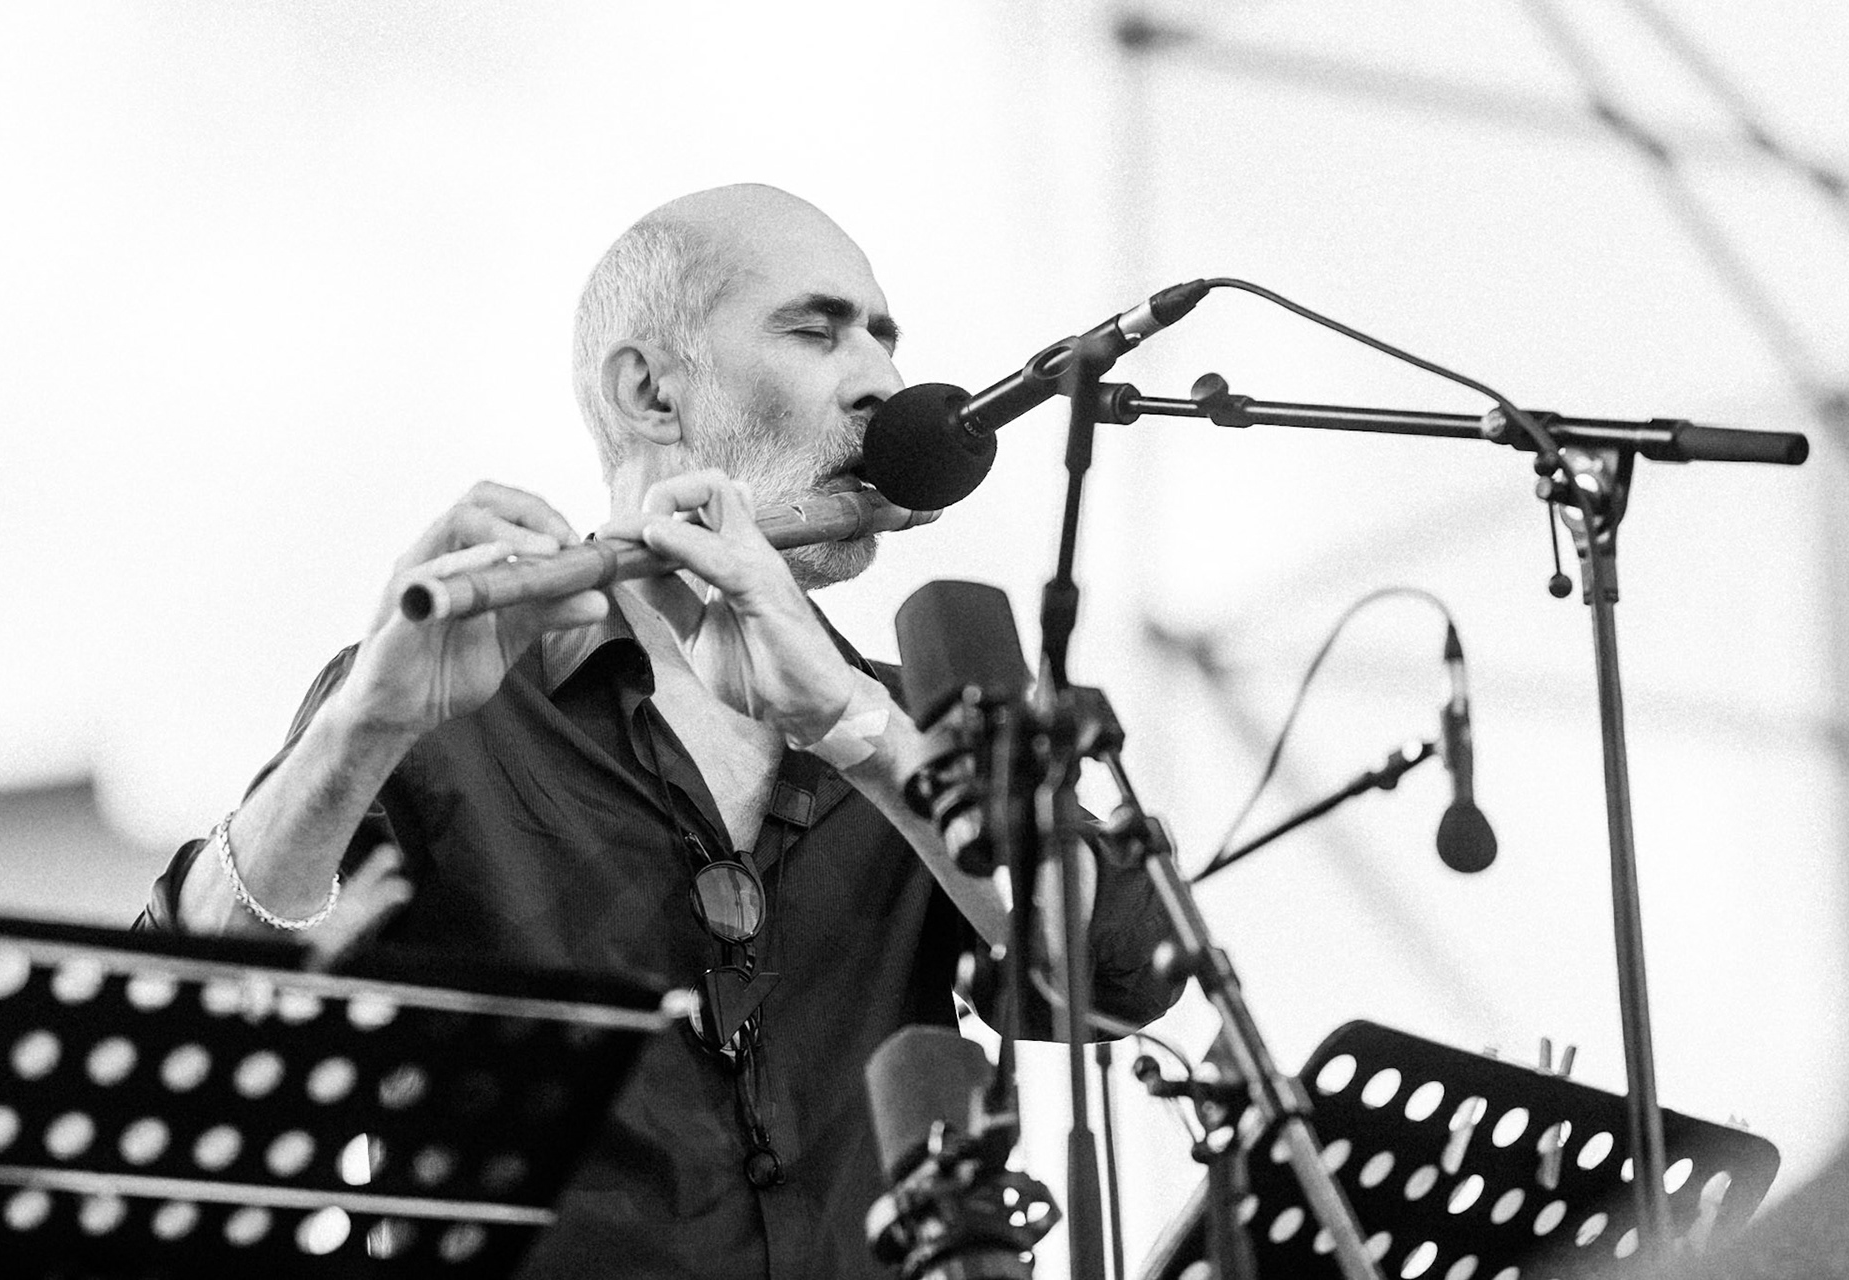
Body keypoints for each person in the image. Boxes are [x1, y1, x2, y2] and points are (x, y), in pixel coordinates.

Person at [140, 184, 1177, 1278]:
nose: (881, 379)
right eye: (817, 330)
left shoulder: (907, 723)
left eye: (884, 337)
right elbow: (194, 1012)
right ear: (648, 392)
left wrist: (856, 728)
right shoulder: (440, 700)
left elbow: (1119, 974)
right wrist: (364, 728)